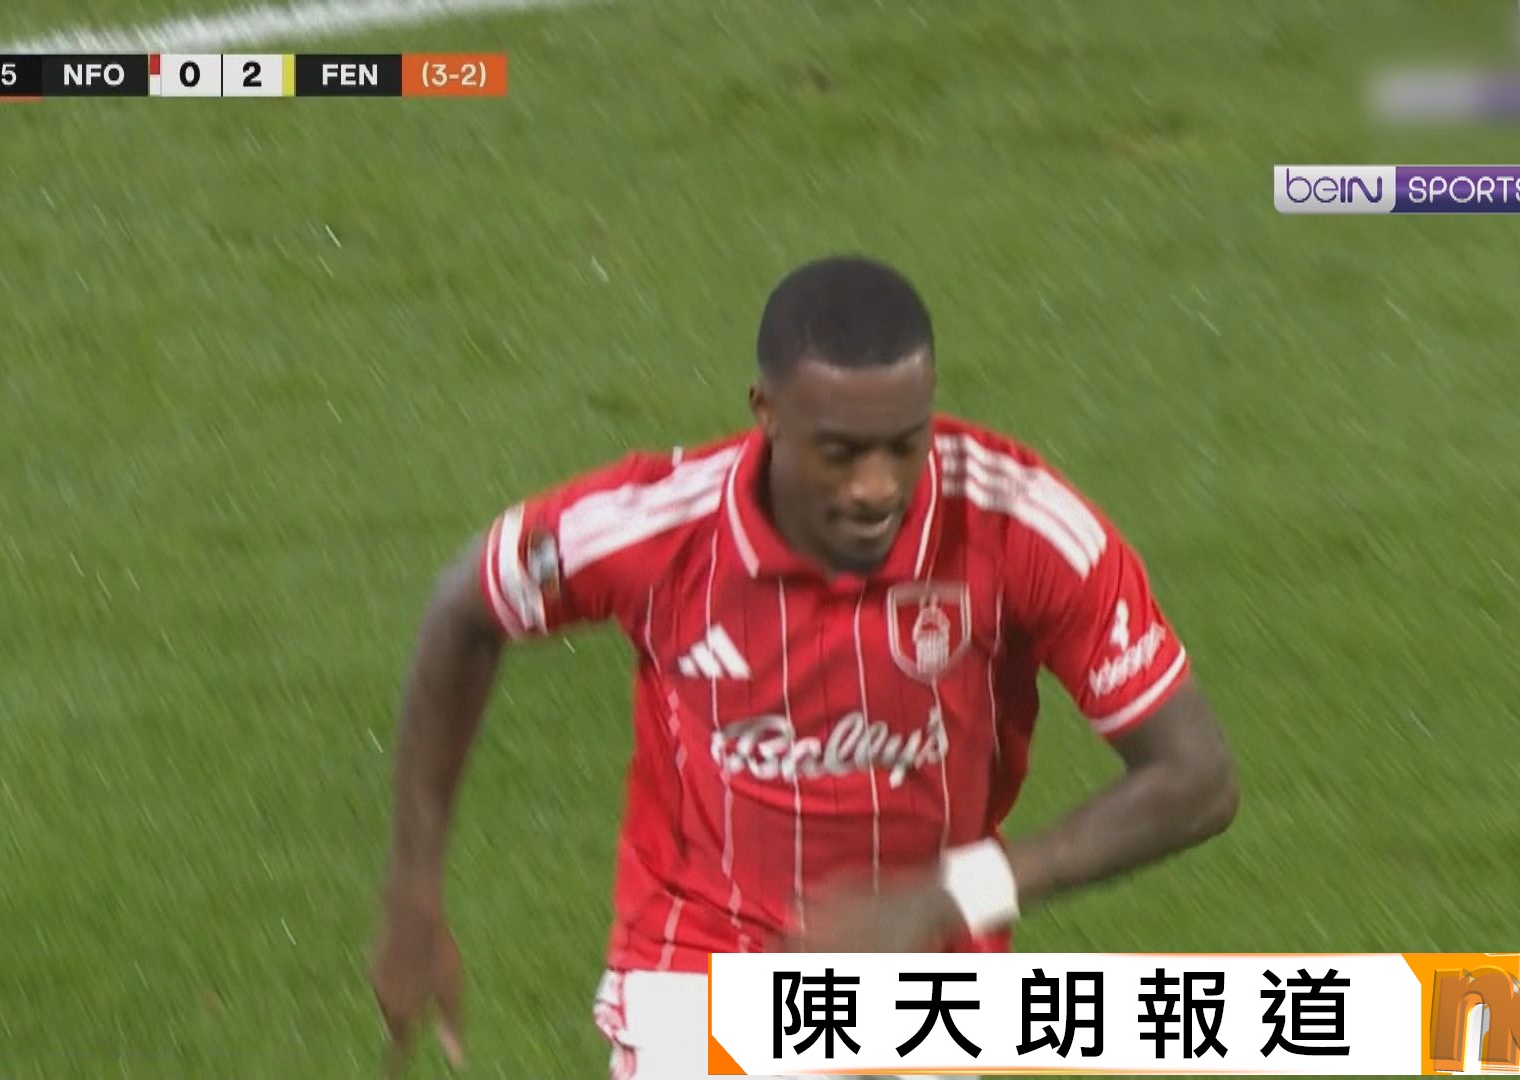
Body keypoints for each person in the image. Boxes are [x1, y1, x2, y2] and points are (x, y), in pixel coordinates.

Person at [369, 255, 1240, 1080]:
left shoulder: (1022, 525)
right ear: (768, 411)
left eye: (903, 445)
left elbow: (1196, 777)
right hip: (699, 967)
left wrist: (946, 894)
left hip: (925, 982)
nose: (877, 486)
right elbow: (464, 609)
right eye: (841, 451)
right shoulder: (659, 530)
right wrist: (414, 889)